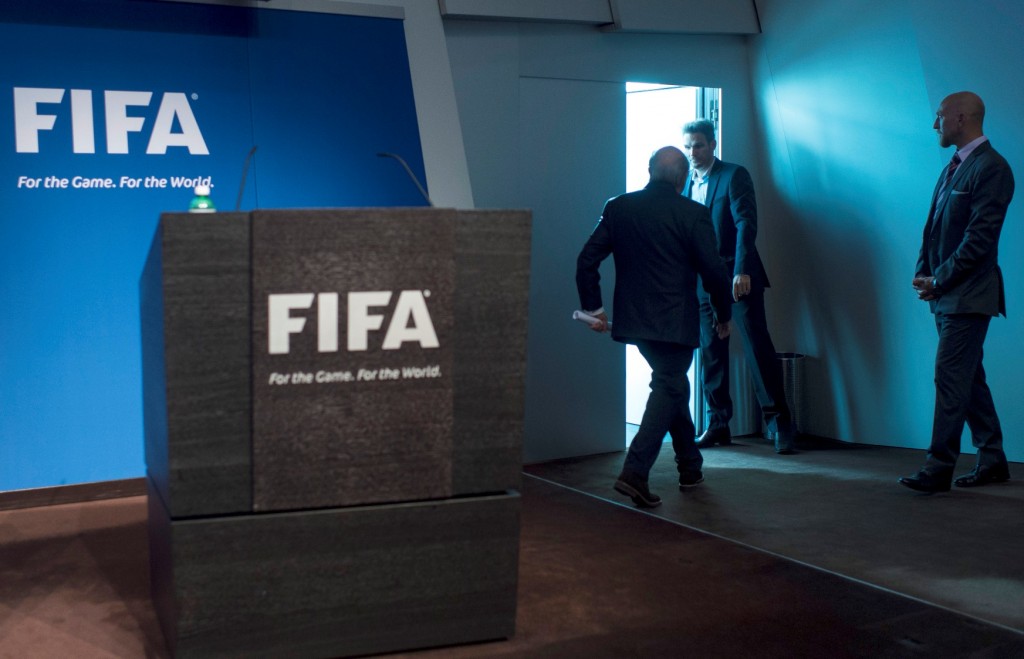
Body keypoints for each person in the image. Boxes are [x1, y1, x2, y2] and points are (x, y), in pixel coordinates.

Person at [576, 146, 733, 507]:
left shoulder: (618, 207)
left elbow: (586, 260)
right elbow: (713, 271)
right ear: (682, 178)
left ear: (649, 170)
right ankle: (635, 472)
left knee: (673, 384)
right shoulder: (693, 213)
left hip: (635, 322)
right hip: (675, 323)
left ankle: (690, 467)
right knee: (670, 384)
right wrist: (723, 316)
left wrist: (595, 308)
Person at [899, 91, 1014, 493]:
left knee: (950, 376)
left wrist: (940, 278)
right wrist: (924, 274)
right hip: (948, 294)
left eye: (940, 116)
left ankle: (938, 465)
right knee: (968, 377)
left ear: (961, 118)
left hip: (970, 295)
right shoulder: (954, 166)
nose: (935, 124)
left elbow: (980, 239)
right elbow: (934, 226)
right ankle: (993, 457)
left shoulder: (992, 168)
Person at [681, 119, 795, 454]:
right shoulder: (685, 184)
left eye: (698, 145)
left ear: (713, 144)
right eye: (688, 146)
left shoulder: (734, 174)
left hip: (737, 277)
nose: (692, 152)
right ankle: (718, 425)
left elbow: (746, 222)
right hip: (704, 282)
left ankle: (780, 424)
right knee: (711, 353)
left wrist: (742, 270)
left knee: (757, 347)